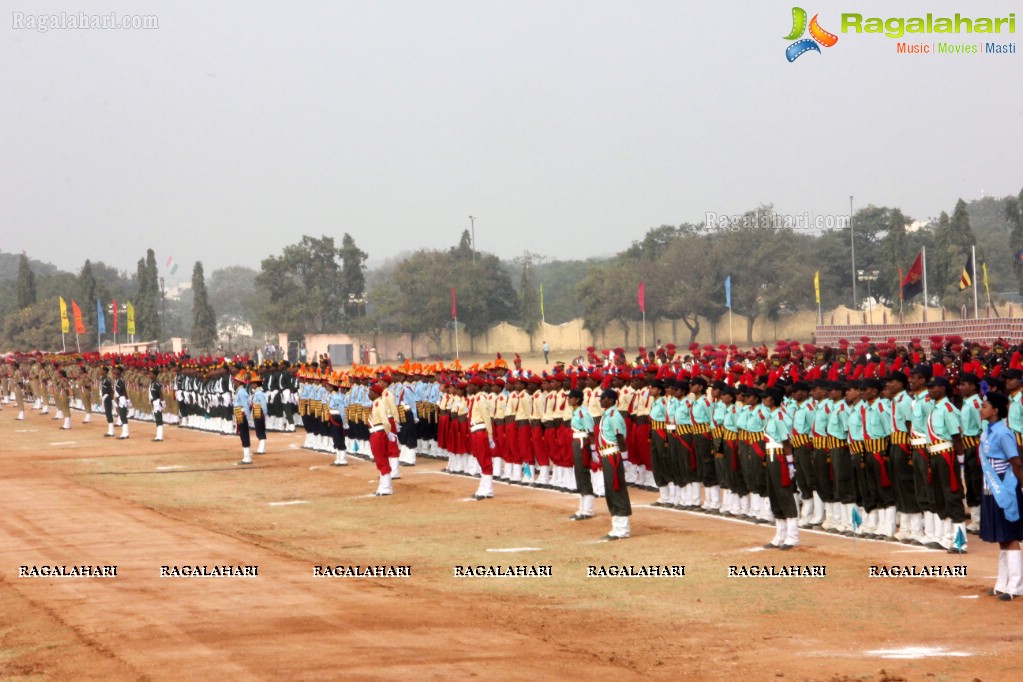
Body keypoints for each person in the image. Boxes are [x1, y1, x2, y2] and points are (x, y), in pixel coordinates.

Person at [978, 392, 1023, 600]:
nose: (981, 409)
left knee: (1010, 535)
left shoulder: (1003, 433)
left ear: (995, 410)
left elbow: (1016, 462)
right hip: (991, 487)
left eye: (985, 406)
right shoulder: (987, 431)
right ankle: (1002, 583)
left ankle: (1015, 586)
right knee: (1001, 537)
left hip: (1005, 487)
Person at [597, 388, 631, 540]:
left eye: (604, 398)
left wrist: (622, 457)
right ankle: (616, 526)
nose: (601, 400)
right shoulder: (607, 414)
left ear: (611, 400)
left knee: (617, 489)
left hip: (613, 455)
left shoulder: (613, 415)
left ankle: (622, 528)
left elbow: (620, 437)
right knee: (611, 491)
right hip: (607, 454)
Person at [568, 388, 597, 520]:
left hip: (582, 442)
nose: (569, 399)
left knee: (583, 472)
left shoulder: (583, 413)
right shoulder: (576, 412)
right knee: (578, 473)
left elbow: (590, 432)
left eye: (571, 397)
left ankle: (588, 509)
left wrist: (593, 449)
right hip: (577, 440)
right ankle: (582, 507)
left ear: (577, 399)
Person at [367, 382, 399, 496]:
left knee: (382, 460)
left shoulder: (379, 404)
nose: (368, 394)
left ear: (376, 393)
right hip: (375, 432)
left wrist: (388, 432)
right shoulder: (376, 403)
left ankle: (387, 487)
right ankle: (382, 485)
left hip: (379, 433)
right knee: (380, 460)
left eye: (371, 392)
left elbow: (385, 420)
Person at [233, 370, 254, 465]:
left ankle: (247, 457)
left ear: (238, 382)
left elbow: (246, 405)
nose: (234, 383)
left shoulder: (241, 392)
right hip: (239, 413)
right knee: (242, 434)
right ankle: (247, 455)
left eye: (235, 381)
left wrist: (248, 419)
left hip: (242, 414)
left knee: (244, 434)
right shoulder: (240, 391)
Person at [250, 372, 268, 454]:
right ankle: (262, 448)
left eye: (253, 383)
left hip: (259, 411)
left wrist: (264, 413)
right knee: (258, 429)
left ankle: (262, 448)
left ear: (257, 384)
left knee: (260, 429)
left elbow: (263, 404)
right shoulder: (256, 392)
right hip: (256, 411)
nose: (252, 385)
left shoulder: (259, 393)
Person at [148, 367, 165, 442]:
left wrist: (163, 403)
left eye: (151, 374)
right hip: (154, 402)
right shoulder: (152, 383)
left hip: (158, 402)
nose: (149, 375)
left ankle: (160, 436)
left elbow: (160, 393)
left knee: (159, 419)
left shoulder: (156, 384)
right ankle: (158, 435)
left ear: (154, 375)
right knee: (157, 419)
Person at [113, 365, 130, 439]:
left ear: (119, 371)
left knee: (123, 416)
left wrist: (127, 400)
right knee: (122, 416)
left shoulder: (120, 380)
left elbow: (124, 391)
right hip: (119, 398)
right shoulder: (117, 380)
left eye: (116, 370)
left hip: (122, 399)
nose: (114, 371)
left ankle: (125, 433)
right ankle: (124, 433)